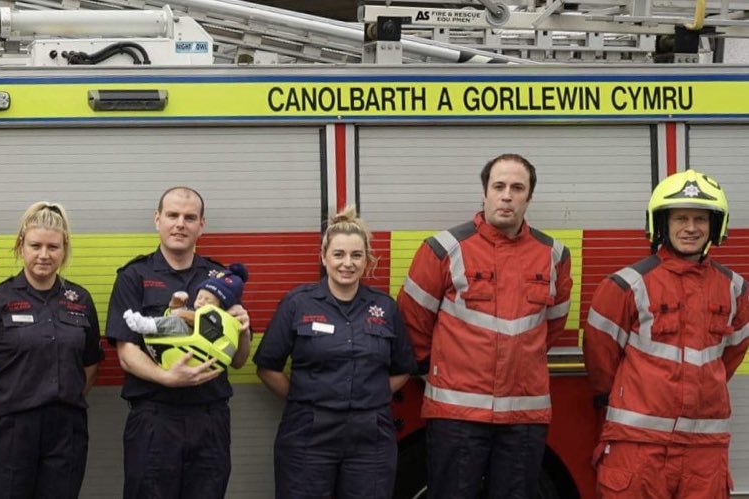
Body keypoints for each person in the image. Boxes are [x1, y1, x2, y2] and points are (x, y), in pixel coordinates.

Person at [397, 153, 572, 498]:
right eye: (499, 186)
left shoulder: (554, 255)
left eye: (517, 188)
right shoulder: (443, 250)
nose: (507, 195)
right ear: (485, 192)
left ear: (529, 197)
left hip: (523, 420)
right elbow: (413, 324)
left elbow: (550, 328)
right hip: (457, 417)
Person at [584, 170, 748, 498]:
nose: (690, 228)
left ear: (716, 226)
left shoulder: (736, 289)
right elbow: (601, 358)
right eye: (680, 218)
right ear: (661, 224)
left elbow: (731, 354)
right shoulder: (624, 285)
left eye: (700, 219)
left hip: (705, 450)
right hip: (637, 446)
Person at [254, 206, 416, 499]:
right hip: (308, 434)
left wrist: (370, 395)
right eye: (339, 254)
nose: (347, 263)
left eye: (356, 255)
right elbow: (267, 367)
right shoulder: (297, 303)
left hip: (370, 437)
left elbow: (403, 368)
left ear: (367, 260)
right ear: (324, 257)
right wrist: (304, 397)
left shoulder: (385, 307)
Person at [106, 186, 252, 499]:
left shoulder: (222, 279)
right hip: (155, 417)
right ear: (157, 219)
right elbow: (126, 352)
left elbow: (239, 360)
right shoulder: (134, 276)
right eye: (172, 215)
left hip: (210, 417)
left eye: (189, 217)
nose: (180, 224)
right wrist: (167, 378)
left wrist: (243, 329)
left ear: (202, 224)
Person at [0, 201, 103, 499]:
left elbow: (89, 367)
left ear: (64, 249)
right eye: (35, 245)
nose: (44, 255)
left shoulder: (81, 300)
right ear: (21, 246)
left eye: (53, 247)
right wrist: (2, 410)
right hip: (10, 430)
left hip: (66, 431)